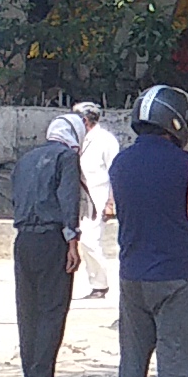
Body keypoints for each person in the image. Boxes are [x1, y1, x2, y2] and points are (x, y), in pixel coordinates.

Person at [110, 86, 188, 377]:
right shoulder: (187, 165)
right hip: (174, 274)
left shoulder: (121, 163)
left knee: (132, 361)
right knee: (174, 363)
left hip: (131, 275)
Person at [11, 114, 86, 377]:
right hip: (51, 239)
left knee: (27, 311)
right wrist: (72, 242)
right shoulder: (67, 158)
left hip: (23, 240)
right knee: (52, 311)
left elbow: (16, 199)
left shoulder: (27, 159)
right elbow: (69, 201)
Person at [73, 98, 119, 300]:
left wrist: (111, 203)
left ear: (85, 120)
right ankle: (95, 283)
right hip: (78, 198)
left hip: (98, 198)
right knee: (80, 241)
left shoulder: (105, 140)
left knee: (90, 241)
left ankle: (100, 285)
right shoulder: (77, 139)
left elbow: (115, 173)